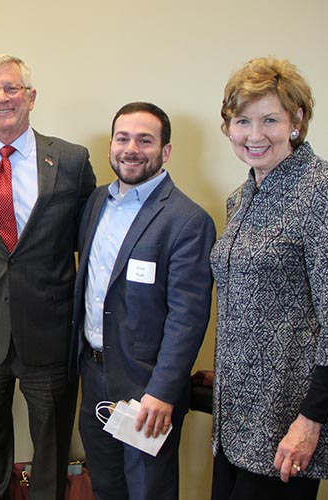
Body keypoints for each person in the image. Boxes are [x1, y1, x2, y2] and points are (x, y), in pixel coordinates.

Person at [211, 56, 328, 500]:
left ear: (297, 121)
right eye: (242, 120)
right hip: (235, 418)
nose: (254, 135)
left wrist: (310, 421)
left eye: (269, 120)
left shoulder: (326, 189)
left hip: (289, 423)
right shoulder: (241, 198)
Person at [0, 54, 97, 499]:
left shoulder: (69, 159)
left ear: (31, 97)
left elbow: (88, 241)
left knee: (50, 447)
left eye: (11, 88)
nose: (2, 98)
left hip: (49, 331)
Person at [71, 102, 216, 500]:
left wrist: (163, 392)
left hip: (146, 386)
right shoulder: (95, 203)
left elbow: (188, 317)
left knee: (148, 489)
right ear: (111, 146)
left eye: (144, 140)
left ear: (165, 151)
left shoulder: (188, 220)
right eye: (122, 138)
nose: (131, 148)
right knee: (106, 485)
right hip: (94, 372)